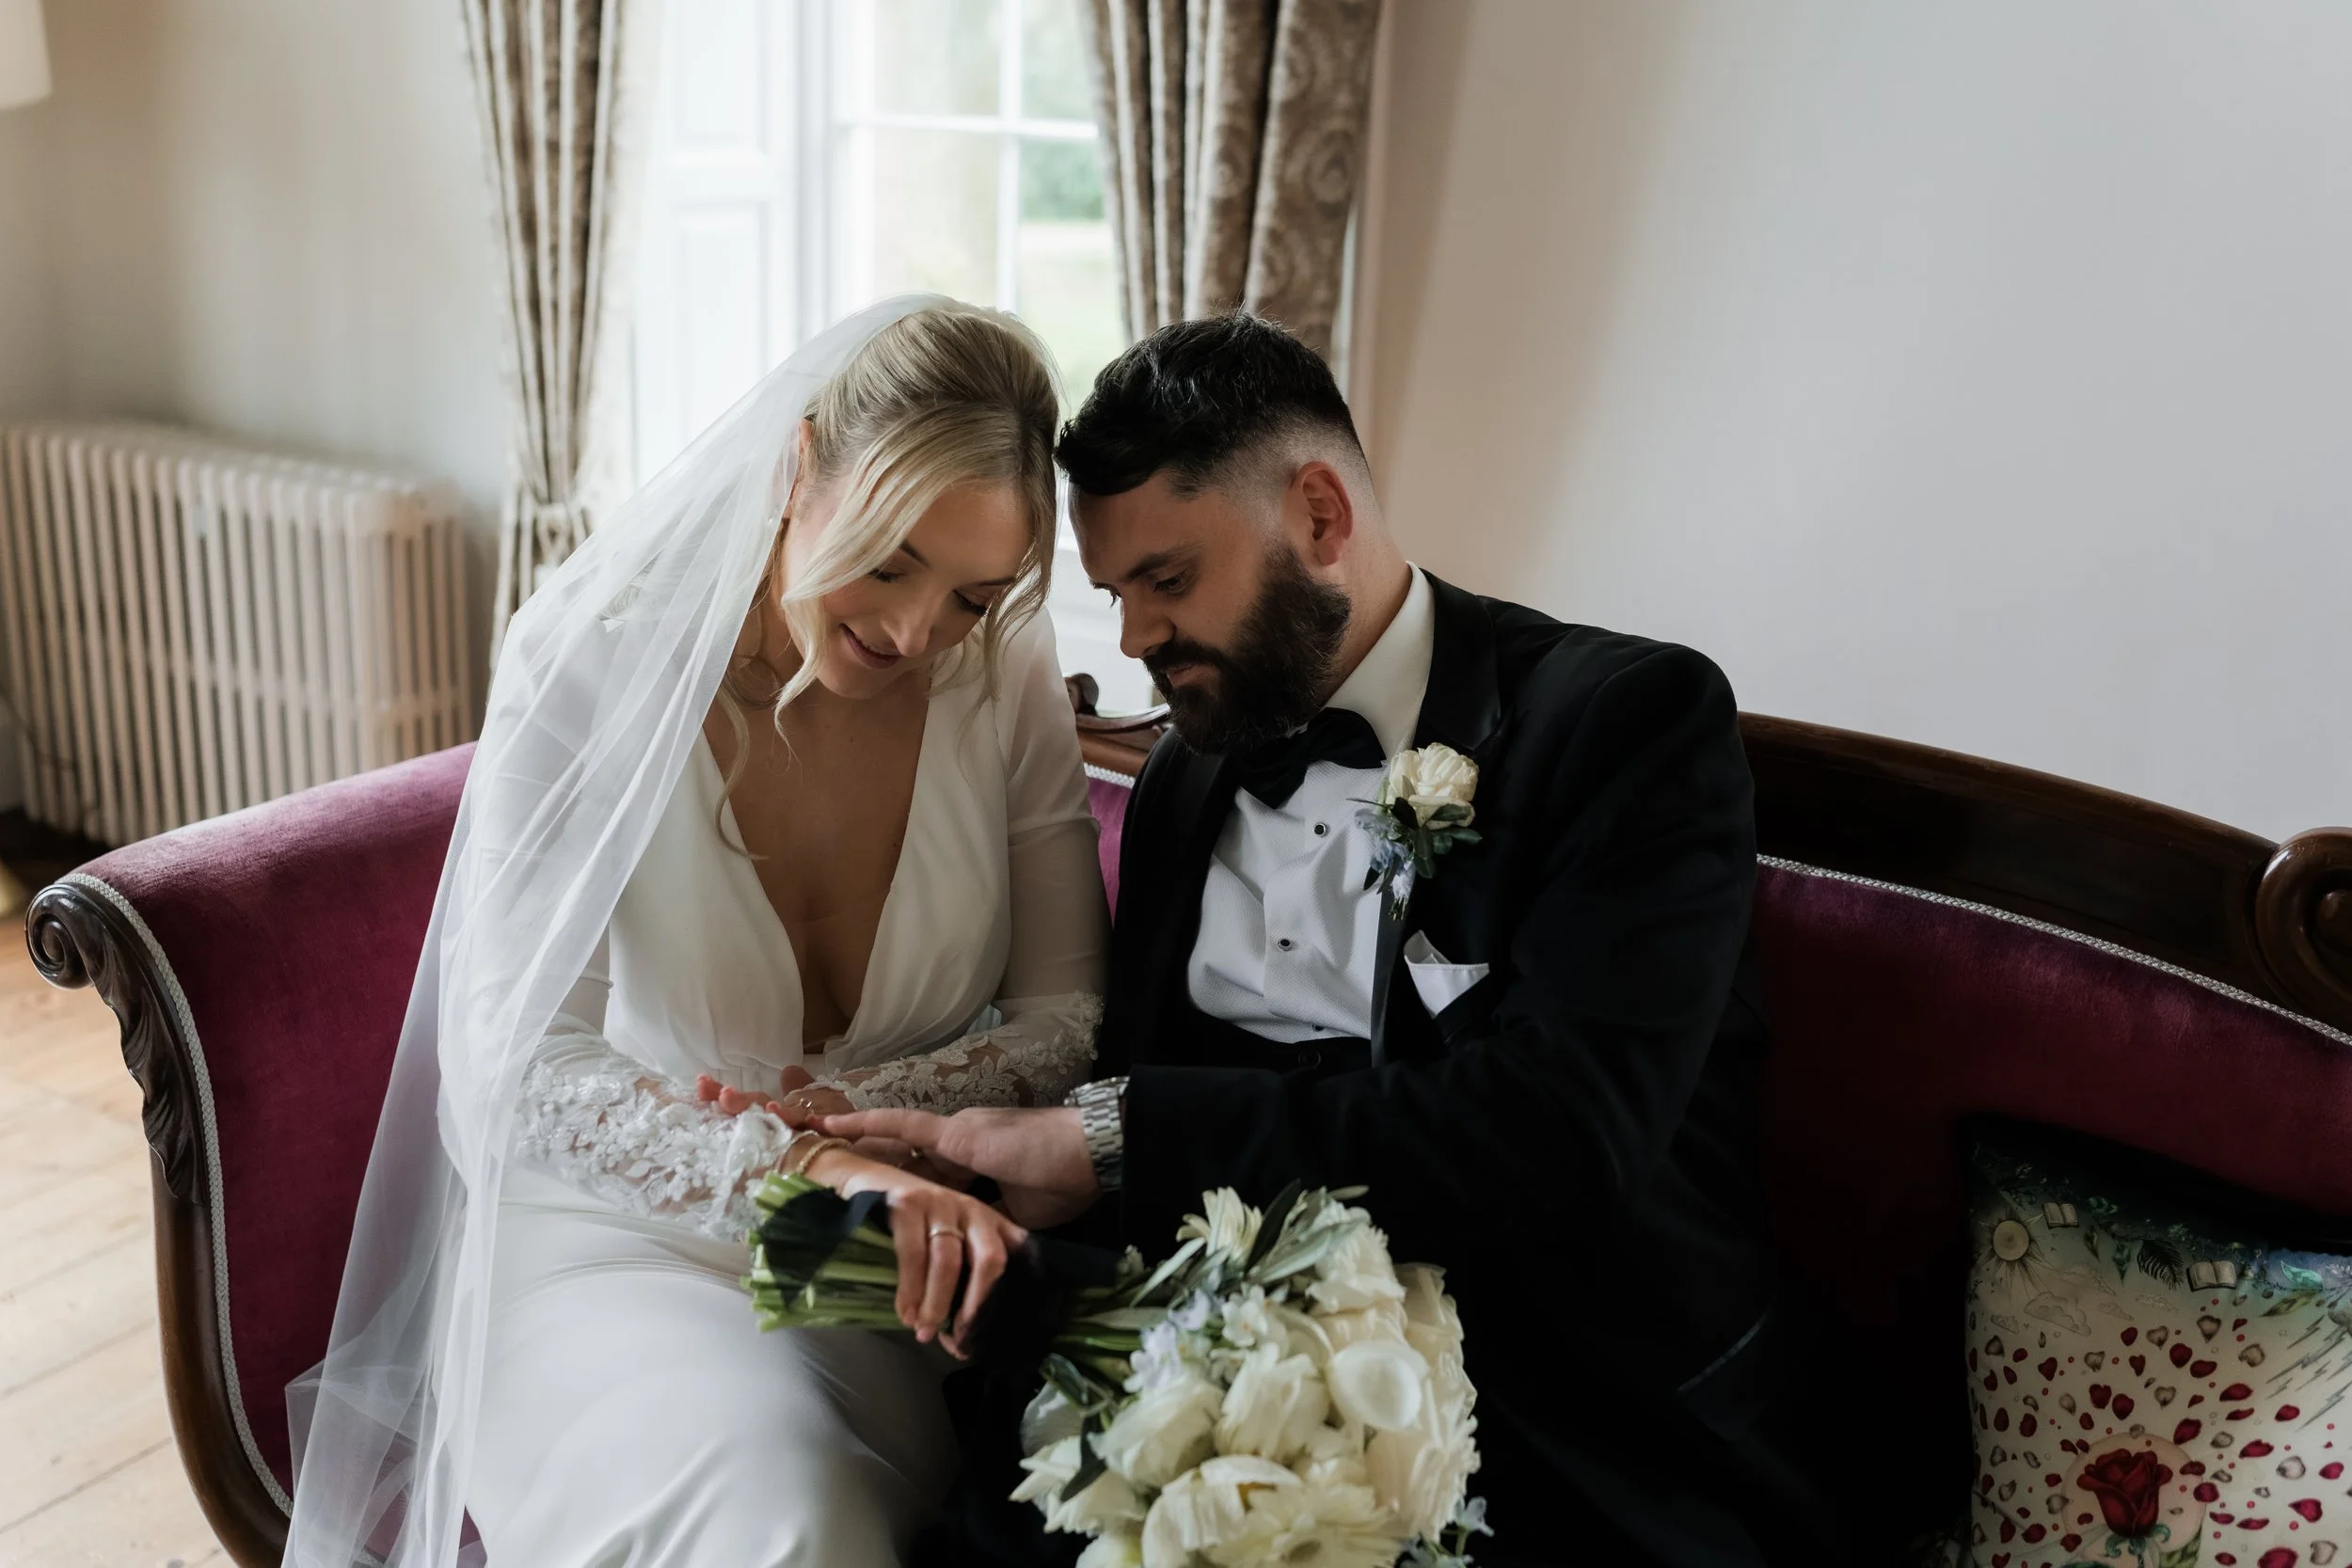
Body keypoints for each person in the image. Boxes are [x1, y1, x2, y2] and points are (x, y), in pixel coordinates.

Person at [826, 313, 1835, 1567]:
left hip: (1557, 1402)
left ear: (1317, 511)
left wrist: (1118, 1135)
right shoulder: (1188, 775)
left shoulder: (1626, 726)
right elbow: (1136, 1103)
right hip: (1222, 1375)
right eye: (1117, 595)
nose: (1135, 638)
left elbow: (1563, 1130)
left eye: (1170, 580)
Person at [280, 299, 1108, 1568]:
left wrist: (878, 1127)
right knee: (789, 1515)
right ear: (801, 460)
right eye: (889, 560)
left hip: (902, 1251)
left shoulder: (1002, 670)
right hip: (627, 1242)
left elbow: (1065, 1017)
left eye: (970, 594)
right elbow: (506, 1068)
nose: (914, 632)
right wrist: (799, 1170)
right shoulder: (592, 658)